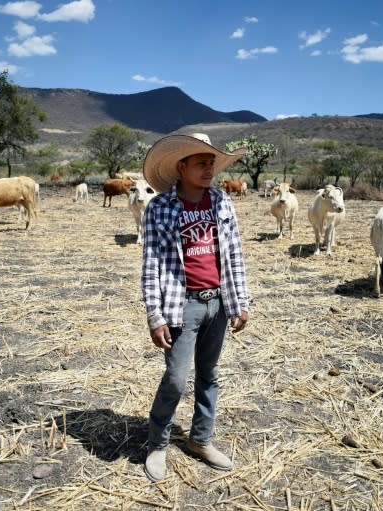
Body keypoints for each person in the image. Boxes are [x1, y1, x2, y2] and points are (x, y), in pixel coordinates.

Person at [140, 133, 251, 482]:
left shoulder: (220, 202)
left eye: (212, 163)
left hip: (217, 301)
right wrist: (154, 314)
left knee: (209, 374)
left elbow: (233, 254)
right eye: (201, 163)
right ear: (182, 166)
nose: (209, 169)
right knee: (175, 378)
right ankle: (158, 444)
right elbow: (151, 262)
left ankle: (200, 440)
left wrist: (240, 301)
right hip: (180, 304)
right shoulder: (159, 207)